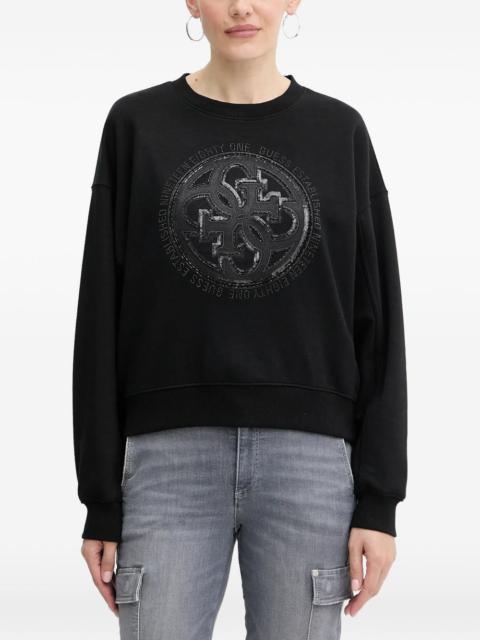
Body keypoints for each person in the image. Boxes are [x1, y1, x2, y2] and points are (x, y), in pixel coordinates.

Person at [72, 1, 408, 638]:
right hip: (167, 462)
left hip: (309, 465)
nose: (241, 6)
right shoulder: (136, 125)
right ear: (192, 2)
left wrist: (379, 501)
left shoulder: (339, 131)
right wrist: (100, 500)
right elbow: (99, 315)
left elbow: (379, 320)